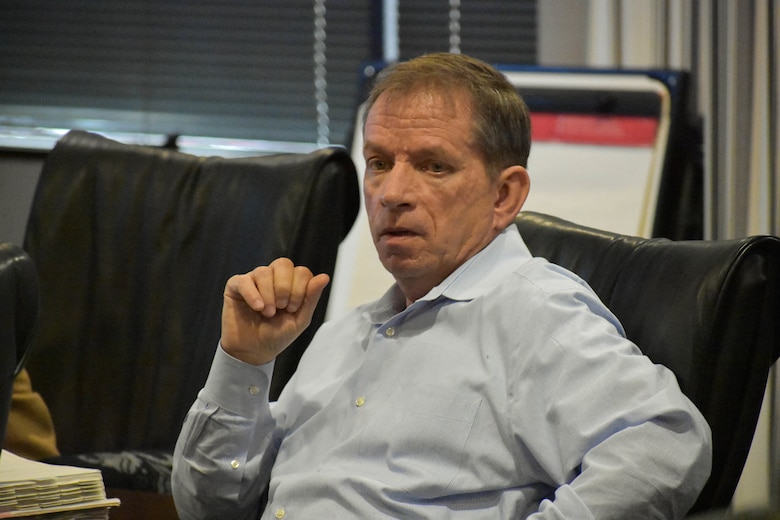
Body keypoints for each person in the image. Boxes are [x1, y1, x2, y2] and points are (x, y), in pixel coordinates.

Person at [172, 52, 711, 519]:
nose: (392, 193)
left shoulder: (534, 312)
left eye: (433, 166)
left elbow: (664, 443)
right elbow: (209, 507)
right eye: (379, 163)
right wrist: (243, 363)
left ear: (504, 196)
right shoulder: (341, 335)